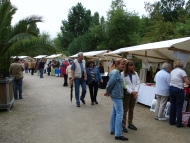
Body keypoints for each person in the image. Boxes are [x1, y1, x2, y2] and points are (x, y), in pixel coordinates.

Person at [105, 58, 128, 141]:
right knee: (120, 113)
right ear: (117, 64)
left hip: (116, 94)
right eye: (122, 64)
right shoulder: (115, 72)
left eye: (123, 64)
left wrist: (108, 91)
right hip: (116, 95)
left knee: (115, 112)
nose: (123, 66)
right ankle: (118, 134)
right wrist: (107, 91)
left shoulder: (117, 72)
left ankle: (113, 129)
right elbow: (110, 83)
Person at [169, 59, 190, 127]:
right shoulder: (182, 71)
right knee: (179, 107)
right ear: (181, 64)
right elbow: (187, 82)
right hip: (179, 89)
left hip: (171, 88)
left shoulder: (172, 71)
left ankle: (171, 121)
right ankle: (179, 123)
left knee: (173, 105)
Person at [121, 60, 140, 133]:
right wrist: (131, 92)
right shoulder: (122, 74)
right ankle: (123, 124)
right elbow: (124, 85)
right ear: (127, 66)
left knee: (131, 108)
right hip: (127, 93)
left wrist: (135, 91)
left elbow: (138, 83)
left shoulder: (135, 73)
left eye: (132, 65)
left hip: (134, 93)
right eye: (130, 65)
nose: (131, 67)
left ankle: (130, 123)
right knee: (125, 109)